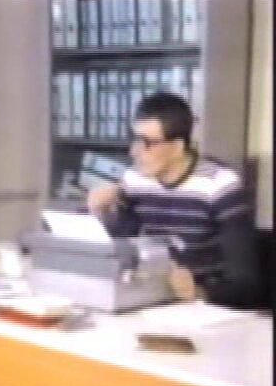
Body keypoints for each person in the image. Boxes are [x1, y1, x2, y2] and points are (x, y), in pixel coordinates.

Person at [88, 92, 260, 308]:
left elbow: (247, 285)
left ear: (178, 147)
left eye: (147, 143)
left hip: (207, 307)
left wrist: (199, 291)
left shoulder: (220, 185)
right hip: (152, 298)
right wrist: (102, 214)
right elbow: (119, 250)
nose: (134, 152)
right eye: (134, 140)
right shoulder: (135, 180)